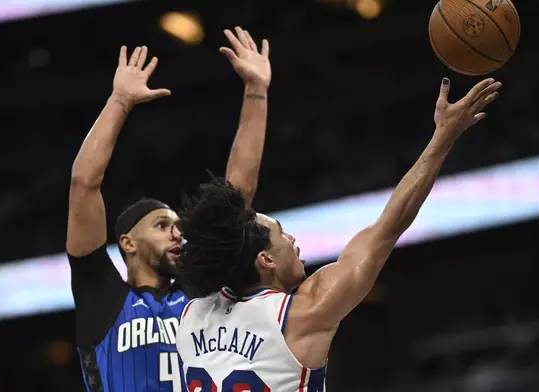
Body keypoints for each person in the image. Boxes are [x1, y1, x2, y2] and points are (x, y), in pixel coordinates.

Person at [175, 77, 503, 390]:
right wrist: (444, 137)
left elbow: (230, 222)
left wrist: (255, 90)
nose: (292, 240)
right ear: (265, 259)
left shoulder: (193, 313)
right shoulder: (302, 313)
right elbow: (387, 228)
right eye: (281, 233)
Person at [66, 27, 272, 392]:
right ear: (128, 243)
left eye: (178, 225)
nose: (178, 232)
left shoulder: (200, 292)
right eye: (162, 225)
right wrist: (119, 101)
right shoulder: (102, 296)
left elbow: (237, 195)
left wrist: (256, 90)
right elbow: (84, 184)